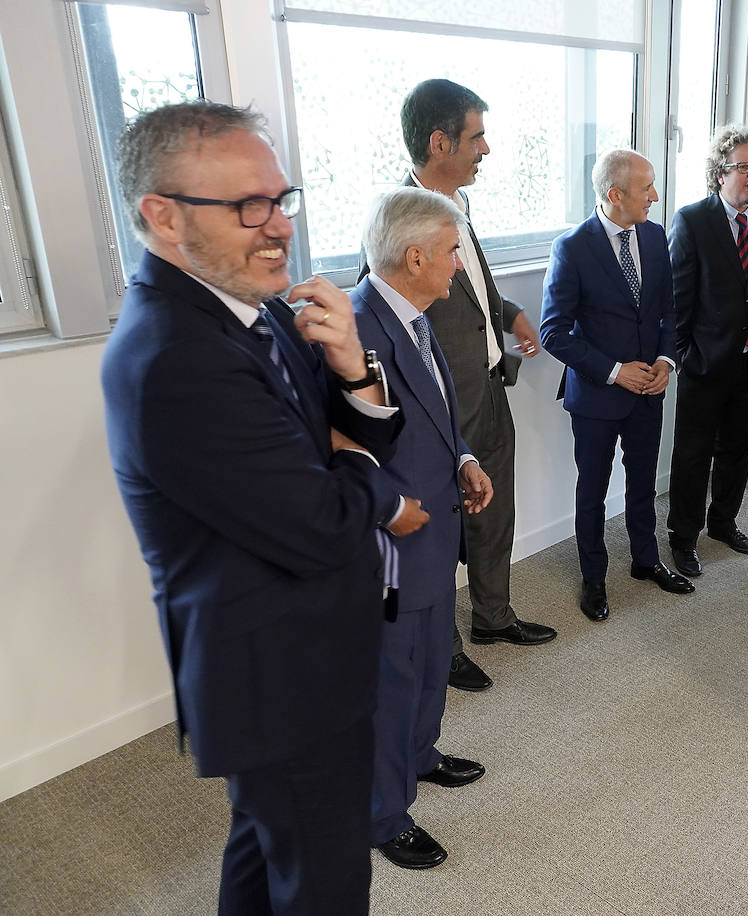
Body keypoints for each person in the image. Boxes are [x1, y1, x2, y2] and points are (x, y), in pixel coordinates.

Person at [101, 100, 402, 913]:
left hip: (299, 654)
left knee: (266, 853)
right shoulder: (174, 359)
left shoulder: (257, 307)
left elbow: (346, 447)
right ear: (161, 217)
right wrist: (371, 479)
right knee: (325, 881)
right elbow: (326, 524)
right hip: (279, 675)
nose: (278, 228)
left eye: (280, 198)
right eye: (246, 206)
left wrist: (352, 372)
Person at [366, 78, 555, 696]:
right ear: (439, 141)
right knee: (440, 536)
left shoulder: (454, 208)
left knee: (495, 514)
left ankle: (494, 618)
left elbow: (468, 289)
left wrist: (508, 315)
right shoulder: (400, 221)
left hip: (489, 390)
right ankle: (441, 652)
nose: (486, 150)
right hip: (437, 411)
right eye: (476, 137)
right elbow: (392, 323)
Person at [353, 187, 496, 869]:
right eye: (450, 253)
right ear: (415, 257)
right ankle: (383, 813)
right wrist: (393, 508)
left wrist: (464, 457)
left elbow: (437, 413)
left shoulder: (416, 314)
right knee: (392, 679)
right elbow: (341, 454)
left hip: (436, 524)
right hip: (390, 542)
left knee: (434, 656)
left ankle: (421, 755)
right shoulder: (356, 331)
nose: (458, 267)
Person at [540, 149, 695, 621]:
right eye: (646, 187)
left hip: (650, 389)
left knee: (644, 482)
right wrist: (614, 370)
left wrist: (667, 361)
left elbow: (668, 310)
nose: (655, 195)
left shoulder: (653, 236)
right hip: (597, 396)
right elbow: (553, 332)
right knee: (593, 489)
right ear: (615, 194)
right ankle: (593, 577)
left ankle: (646, 561)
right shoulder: (572, 248)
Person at [665, 125, 748, 576]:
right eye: (744, 167)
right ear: (720, 173)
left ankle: (723, 522)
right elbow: (678, 297)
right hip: (705, 361)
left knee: (738, 449)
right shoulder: (692, 220)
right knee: (693, 453)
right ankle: (683, 536)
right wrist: (683, 354)